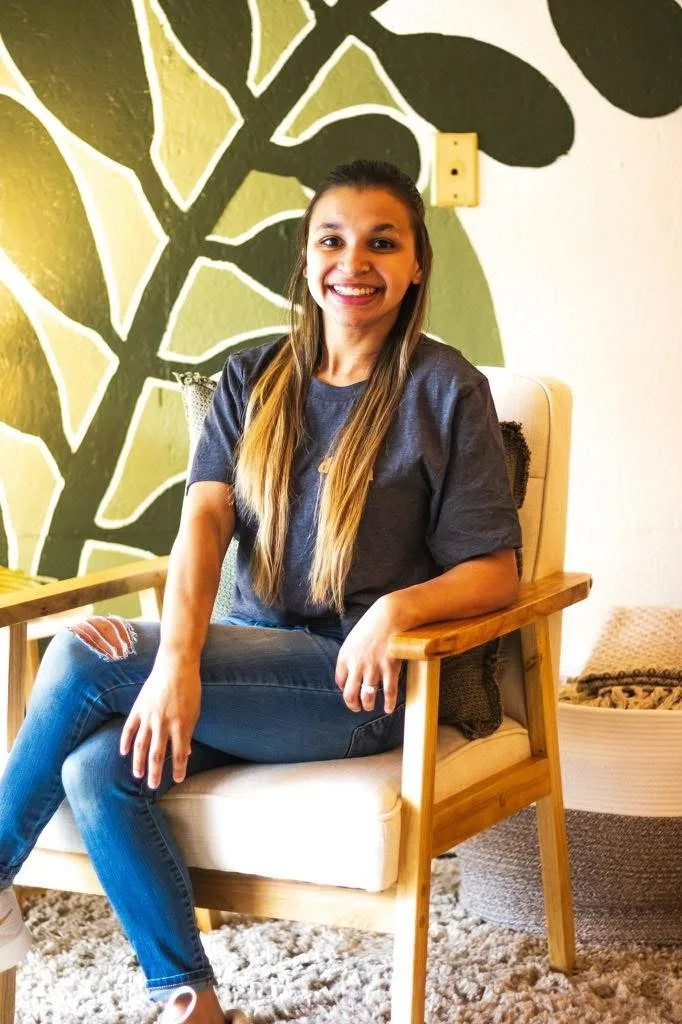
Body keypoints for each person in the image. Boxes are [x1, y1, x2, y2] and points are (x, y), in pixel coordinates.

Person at [0, 160, 521, 1023]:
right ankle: (191, 1002)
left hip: (356, 689)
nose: (354, 261)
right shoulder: (251, 379)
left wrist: (395, 609)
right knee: (99, 767)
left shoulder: (445, 388)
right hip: (244, 669)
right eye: (333, 239)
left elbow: (495, 570)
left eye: (381, 242)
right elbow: (202, 526)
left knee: (84, 654)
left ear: (417, 263)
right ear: (307, 258)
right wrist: (179, 661)